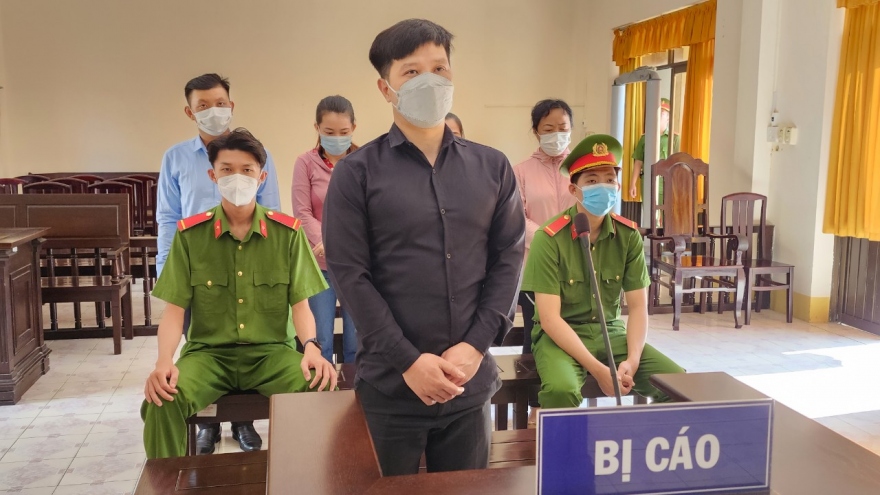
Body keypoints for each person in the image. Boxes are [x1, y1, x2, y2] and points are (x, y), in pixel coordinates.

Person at [323, 19, 524, 476]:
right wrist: (409, 361)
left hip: (468, 383)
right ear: (385, 87)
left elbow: (508, 259)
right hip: (392, 387)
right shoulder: (356, 174)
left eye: (440, 68)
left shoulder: (493, 167)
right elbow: (350, 276)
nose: (429, 81)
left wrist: (475, 346)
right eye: (412, 72)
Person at [142, 128, 337, 459]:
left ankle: (305, 476)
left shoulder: (287, 234)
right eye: (227, 169)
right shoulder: (190, 237)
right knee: (162, 397)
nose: (237, 178)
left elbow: (301, 305)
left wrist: (311, 348)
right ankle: (166, 480)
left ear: (261, 177)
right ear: (212, 176)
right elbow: (174, 312)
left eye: (247, 170)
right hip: (209, 355)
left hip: (270, 354)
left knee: (319, 383)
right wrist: (163, 362)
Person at [155, 73, 282, 454]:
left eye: (220, 103)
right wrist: (167, 268)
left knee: (246, 341)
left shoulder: (257, 154)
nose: (213, 111)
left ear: (231, 105)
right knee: (205, 349)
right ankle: (207, 425)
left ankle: (243, 421)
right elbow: (168, 217)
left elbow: (272, 210)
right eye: (203, 105)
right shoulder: (176, 157)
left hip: (249, 261)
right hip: (198, 267)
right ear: (189, 112)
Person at [521, 134, 684, 409]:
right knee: (561, 391)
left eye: (610, 179)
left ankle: (650, 437)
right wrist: (598, 370)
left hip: (611, 333)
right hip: (561, 338)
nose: (603, 187)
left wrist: (633, 360)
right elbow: (549, 319)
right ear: (574, 190)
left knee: (678, 384)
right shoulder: (549, 239)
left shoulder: (628, 236)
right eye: (592, 181)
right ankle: (563, 439)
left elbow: (638, 307)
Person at [512, 99, 577, 425]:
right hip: (535, 268)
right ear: (536, 131)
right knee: (536, 334)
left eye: (562, 128)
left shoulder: (581, 169)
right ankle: (534, 406)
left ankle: (567, 399)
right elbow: (515, 218)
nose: (556, 134)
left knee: (574, 332)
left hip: (577, 267)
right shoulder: (521, 171)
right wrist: (549, 237)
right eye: (548, 128)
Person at [292, 96, 359, 364]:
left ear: (354, 128)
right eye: (329, 132)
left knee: (358, 342)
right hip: (319, 267)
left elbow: (370, 213)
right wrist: (327, 240)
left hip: (357, 266)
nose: (337, 138)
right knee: (321, 340)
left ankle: (357, 389)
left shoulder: (364, 161)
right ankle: (323, 388)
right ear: (317, 128)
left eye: (344, 132)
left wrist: (341, 243)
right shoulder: (305, 163)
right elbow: (302, 212)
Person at [628, 98, 680, 202]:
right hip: (647, 182)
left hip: (666, 182)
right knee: (648, 209)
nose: (658, 116)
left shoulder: (674, 138)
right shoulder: (645, 138)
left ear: (668, 118)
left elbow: (678, 164)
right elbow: (638, 162)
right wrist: (633, 183)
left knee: (666, 210)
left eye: (661, 113)